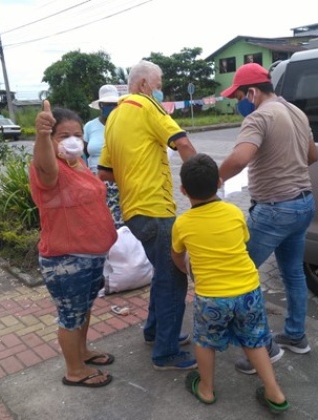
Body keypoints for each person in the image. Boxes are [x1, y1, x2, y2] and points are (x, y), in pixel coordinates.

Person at [98, 60, 199, 370]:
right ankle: (166, 352)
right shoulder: (145, 106)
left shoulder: (114, 116)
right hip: (156, 209)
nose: (160, 89)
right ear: (143, 85)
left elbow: (105, 172)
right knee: (174, 278)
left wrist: (135, 176)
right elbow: (181, 141)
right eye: (158, 83)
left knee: (163, 273)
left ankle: (155, 331)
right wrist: (202, 188)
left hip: (134, 212)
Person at [218, 63, 318, 374]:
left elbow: (239, 158)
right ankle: (296, 335)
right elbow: (312, 156)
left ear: (252, 92)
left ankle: (262, 349)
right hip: (304, 204)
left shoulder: (259, 116)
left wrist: (211, 180)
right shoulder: (296, 112)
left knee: (239, 277)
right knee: (293, 274)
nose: (237, 103)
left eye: (238, 96)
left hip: (274, 210)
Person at [172, 154, 289, 414]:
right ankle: (275, 393)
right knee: (255, 340)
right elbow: (243, 241)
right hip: (247, 290)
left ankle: (206, 388)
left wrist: (186, 270)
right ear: (219, 184)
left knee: (205, 341)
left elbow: (177, 255)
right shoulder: (234, 212)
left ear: (182, 190)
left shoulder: (182, 223)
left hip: (212, 297)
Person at [29, 100, 118, 387]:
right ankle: (75, 371)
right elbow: (45, 165)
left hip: (91, 255)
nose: (73, 140)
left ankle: (82, 353)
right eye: (63, 136)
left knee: (84, 309)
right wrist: (41, 136)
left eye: (77, 135)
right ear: (52, 139)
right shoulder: (49, 168)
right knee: (70, 315)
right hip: (66, 259)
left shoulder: (77, 162)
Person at [84, 84, 123, 228]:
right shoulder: (89, 127)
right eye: (108, 104)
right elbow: (83, 155)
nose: (111, 107)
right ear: (100, 105)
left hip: (117, 182)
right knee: (99, 222)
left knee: (118, 223)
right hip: (94, 182)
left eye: (114, 104)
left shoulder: (124, 125)